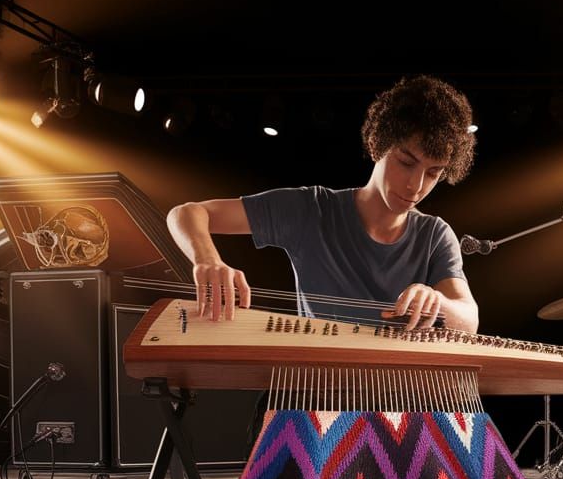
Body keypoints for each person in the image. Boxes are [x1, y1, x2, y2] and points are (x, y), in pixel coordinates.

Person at [165, 73, 480, 337]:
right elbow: (187, 213)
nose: (416, 185)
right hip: (317, 385)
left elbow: (469, 319)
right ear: (378, 145)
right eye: (406, 162)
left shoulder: (435, 235)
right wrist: (207, 260)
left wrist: (437, 302)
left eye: (433, 173)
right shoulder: (312, 210)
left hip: (401, 388)